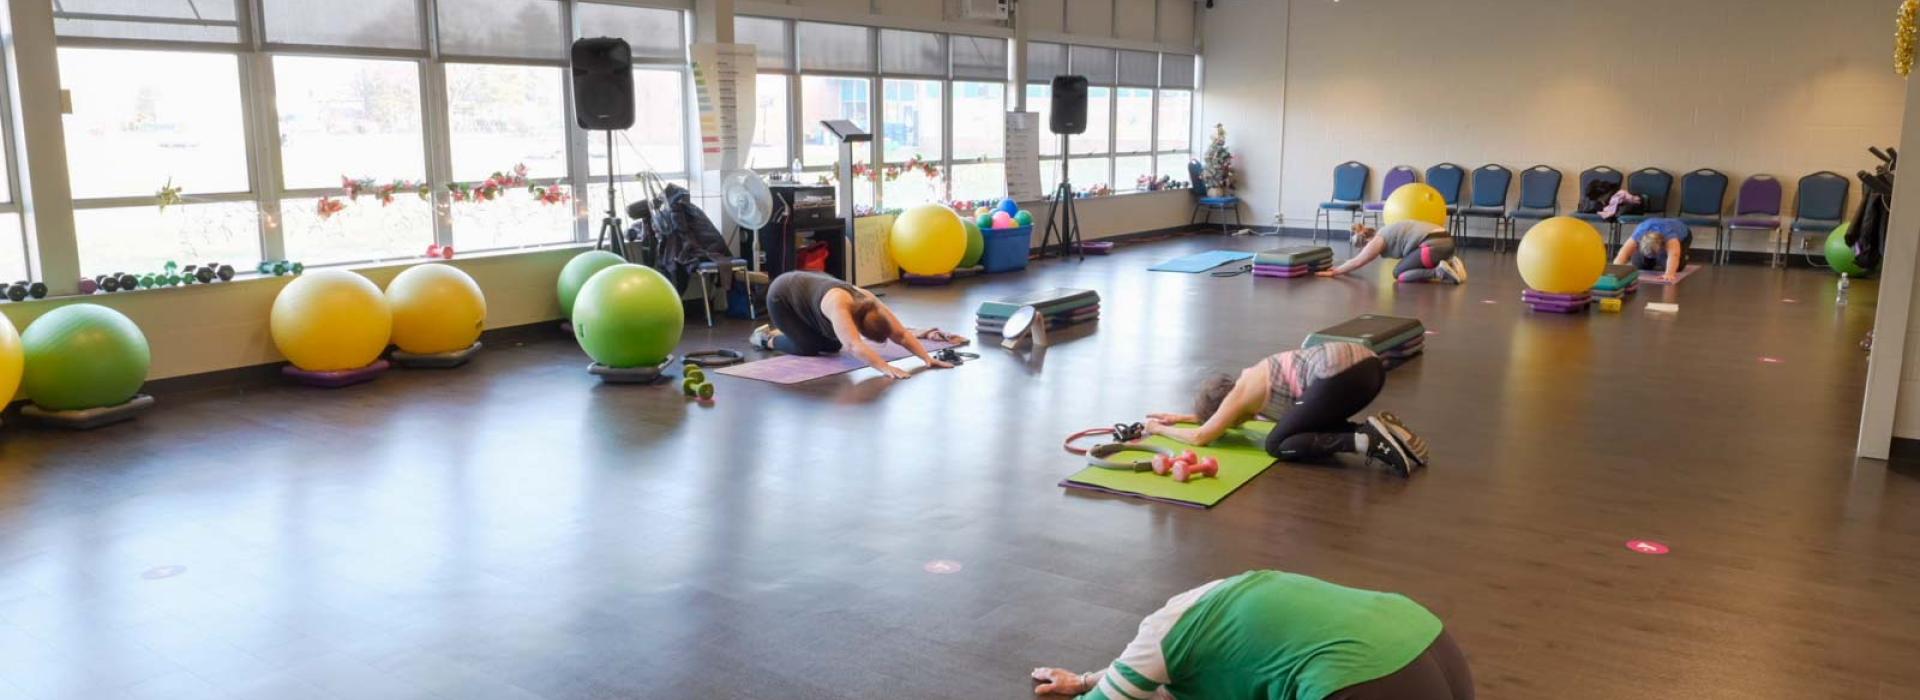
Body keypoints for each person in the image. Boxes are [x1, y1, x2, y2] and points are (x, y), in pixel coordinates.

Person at [1031, 570, 1474, 700]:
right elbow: (1140, 676)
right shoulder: (1220, 610)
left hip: (1368, 680)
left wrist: (1092, 687)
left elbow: (1131, 679)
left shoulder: (1159, 635)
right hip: (1433, 640)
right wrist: (1086, 680)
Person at [1142, 342, 1427, 476]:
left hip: (1341, 373)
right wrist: (1183, 417)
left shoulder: (1241, 393)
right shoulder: (1248, 385)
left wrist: (1156, 428)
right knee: (1303, 427)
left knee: (1277, 443)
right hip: (1371, 371)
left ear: (1224, 409)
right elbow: (1214, 421)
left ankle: (1365, 441)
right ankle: (1380, 431)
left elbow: (1201, 437)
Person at [749, 271, 964, 379]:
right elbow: (853, 345)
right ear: (859, 326)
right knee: (809, 348)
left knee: (833, 345)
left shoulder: (869, 300)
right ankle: (766, 339)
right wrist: (885, 367)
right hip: (782, 298)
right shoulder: (839, 305)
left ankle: (789, 331)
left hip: (808, 298)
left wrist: (927, 359)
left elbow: (899, 334)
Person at [1318, 221, 1467, 284]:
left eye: (1363, 247)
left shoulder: (1378, 240)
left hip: (1432, 247)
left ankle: (1438, 272)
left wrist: (1336, 271)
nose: (1364, 250)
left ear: (1366, 241)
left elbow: (1358, 261)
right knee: (1412, 263)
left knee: (1399, 274)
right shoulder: (1386, 230)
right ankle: (1450, 264)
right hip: (1447, 243)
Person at [1614, 217, 1691, 282]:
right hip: (1653, 237)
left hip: (1683, 234)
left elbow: (1674, 255)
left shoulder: (1670, 237)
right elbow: (1622, 254)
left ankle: (1684, 257)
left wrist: (1669, 274)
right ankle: (1651, 259)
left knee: (1676, 267)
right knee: (1639, 264)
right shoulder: (1638, 234)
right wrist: (1614, 273)